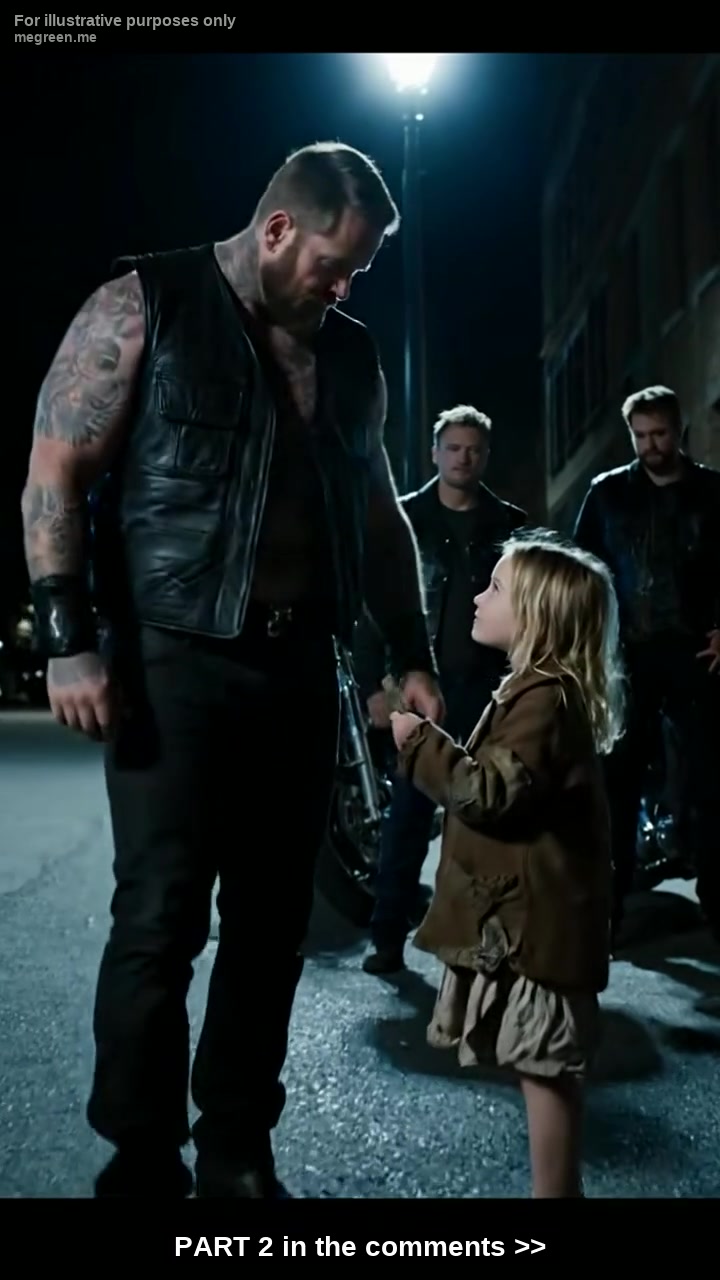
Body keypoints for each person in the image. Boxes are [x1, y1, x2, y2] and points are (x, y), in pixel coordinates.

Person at [20, 141, 444, 1199]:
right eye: (334, 266)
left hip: (299, 665)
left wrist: (412, 651)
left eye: (359, 274)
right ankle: (140, 1152)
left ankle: (237, 1146)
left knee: (271, 924)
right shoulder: (144, 305)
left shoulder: (349, 355)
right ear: (278, 229)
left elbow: (379, 514)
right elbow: (56, 468)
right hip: (174, 659)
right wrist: (67, 637)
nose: (342, 290)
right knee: (160, 914)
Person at [390, 533, 624, 1198]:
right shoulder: (535, 691)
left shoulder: (544, 700)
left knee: (546, 1065)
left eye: (495, 588)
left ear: (536, 617)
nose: (477, 596)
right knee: (537, 1065)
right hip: (532, 923)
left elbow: (487, 793)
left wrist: (420, 746)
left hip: (539, 931)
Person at [353, 405, 527, 974]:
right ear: (434, 453)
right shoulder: (403, 520)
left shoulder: (510, 526)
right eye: (453, 447)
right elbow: (371, 615)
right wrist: (377, 688)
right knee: (407, 814)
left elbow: (531, 611)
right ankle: (386, 937)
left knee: (487, 816)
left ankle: (485, 941)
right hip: (417, 689)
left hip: (488, 689)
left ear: (486, 456)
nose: (462, 458)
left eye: (473, 449)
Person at [573, 385, 720, 942]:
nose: (650, 445)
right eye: (640, 435)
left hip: (695, 652)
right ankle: (607, 909)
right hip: (627, 655)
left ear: (679, 431)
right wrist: (590, 641)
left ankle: (716, 901)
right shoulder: (607, 494)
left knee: (711, 780)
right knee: (617, 782)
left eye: (659, 434)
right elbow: (580, 569)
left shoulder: (712, 492)